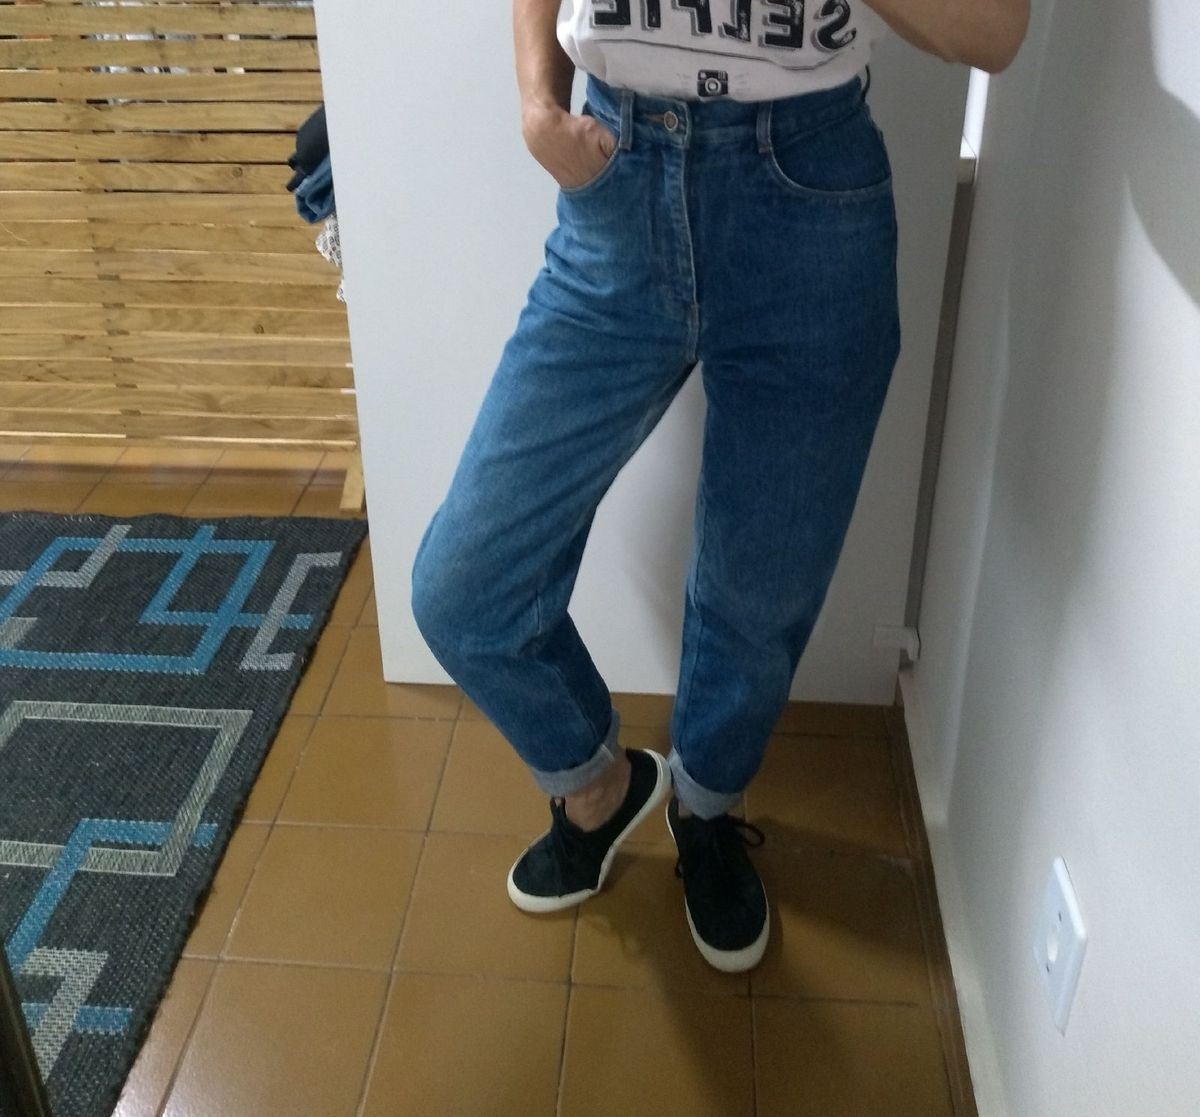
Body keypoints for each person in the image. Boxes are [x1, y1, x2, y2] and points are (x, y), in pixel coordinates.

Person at [411, 0, 1028, 973]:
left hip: (810, 200)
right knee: (464, 585)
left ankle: (705, 808)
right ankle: (599, 789)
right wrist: (538, 103)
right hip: (618, 180)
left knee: (756, 594)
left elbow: (992, 31)